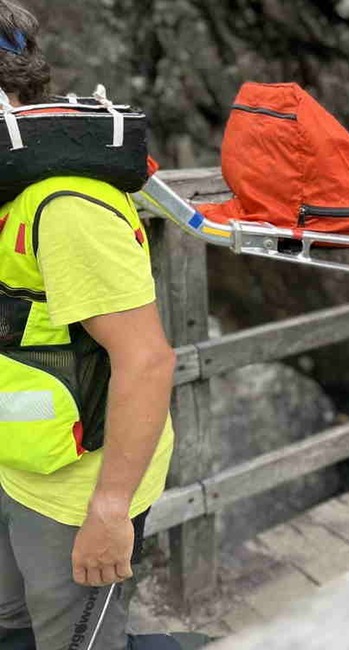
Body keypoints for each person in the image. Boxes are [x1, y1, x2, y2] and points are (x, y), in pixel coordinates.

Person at [0, 2, 204, 648]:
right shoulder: (13, 184)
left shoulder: (66, 206)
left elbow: (147, 362)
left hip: (78, 492)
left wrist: (111, 511)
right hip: (20, 464)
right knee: (12, 628)